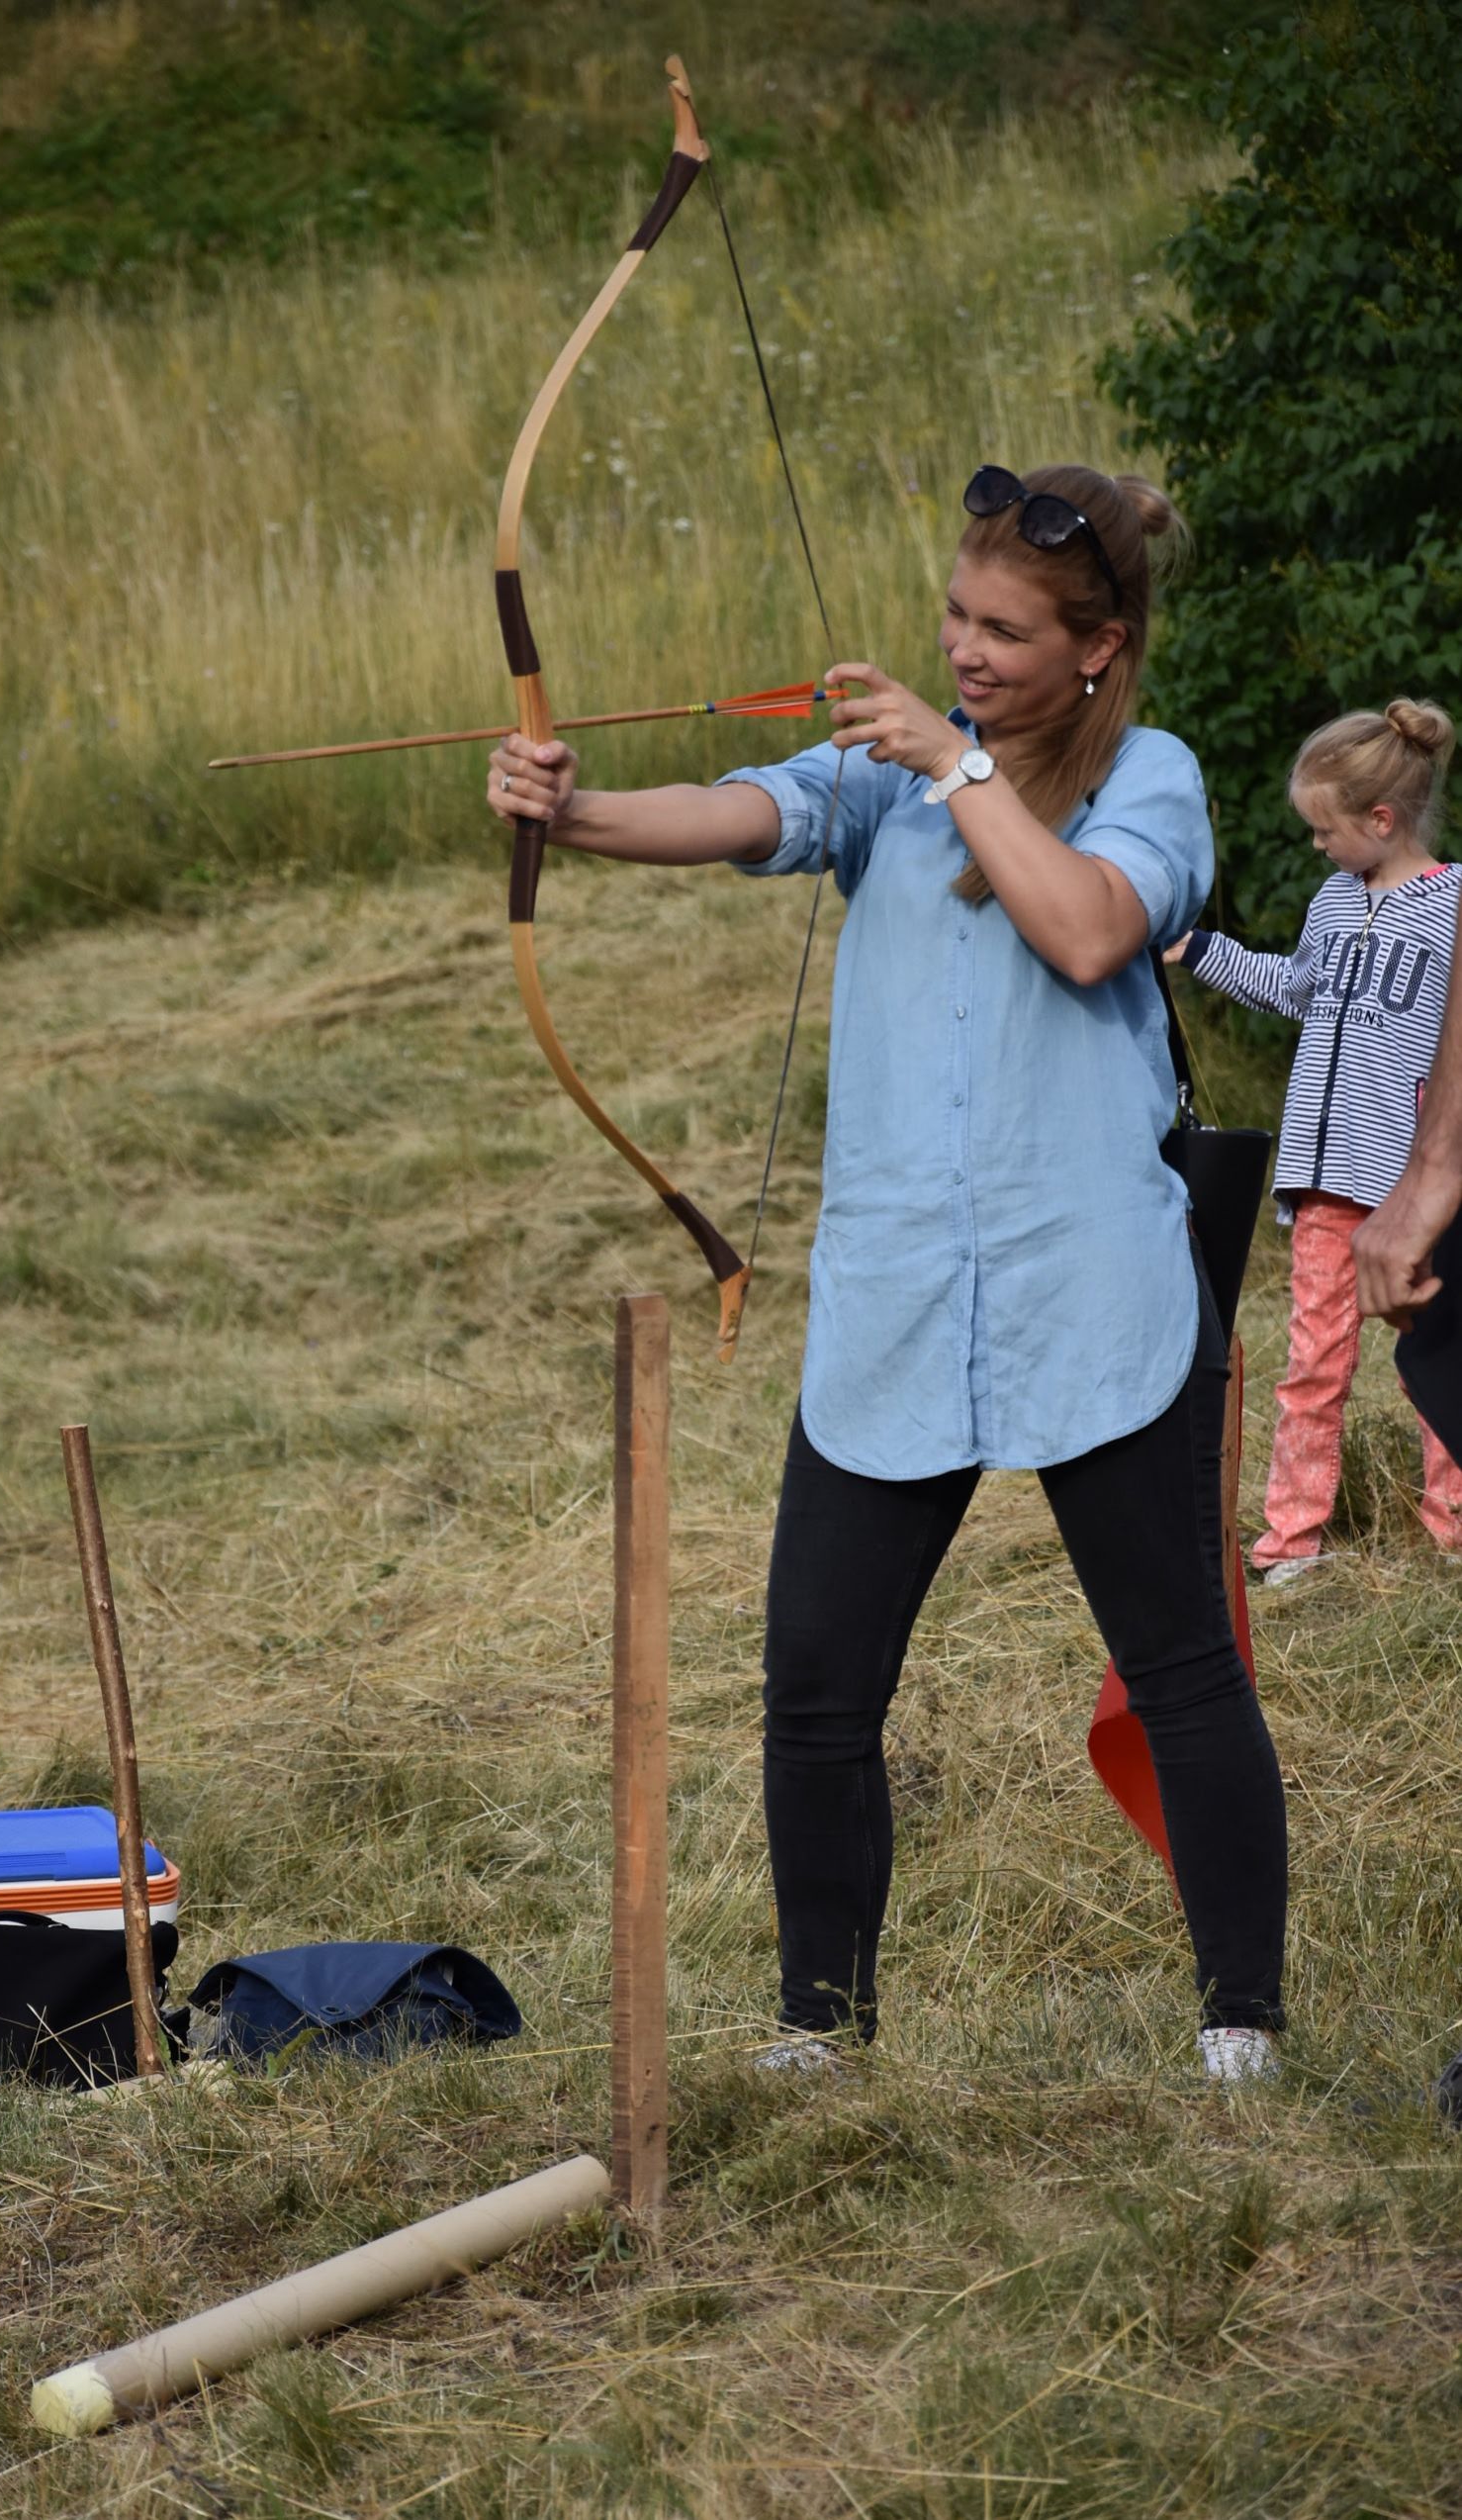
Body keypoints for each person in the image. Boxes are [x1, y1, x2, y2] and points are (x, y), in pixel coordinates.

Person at [488, 461, 1289, 2084]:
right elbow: (739, 810)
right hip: (899, 1296)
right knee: (813, 1680)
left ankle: (1239, 2026)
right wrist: (567, 810)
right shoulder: (888, 778)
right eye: (953, 616)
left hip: (1092, 1290)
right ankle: (820, 2026)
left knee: (1179, 1667)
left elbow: (1086, 929)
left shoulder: (1147, 776)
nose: (964, 649)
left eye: (1004, 630)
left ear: (1096, 646)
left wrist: (953, 763)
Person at [1166, 701, 1461, 1582]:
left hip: (1415, 1195)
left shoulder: (1452, 906)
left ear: (1382, 819)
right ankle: (1290, 1542)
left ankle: (1449, 1531)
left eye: (1323, 829)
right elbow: (1293, 987)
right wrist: (1200, 950)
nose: (1315, 844)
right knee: (1312, 1362)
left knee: (1435, 1362)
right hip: (1323, 1180)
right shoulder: (1332, 901)